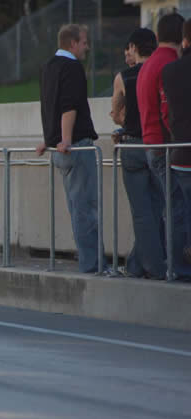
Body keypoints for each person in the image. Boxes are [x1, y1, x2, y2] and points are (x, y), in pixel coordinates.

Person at [36, 24, 104, 273]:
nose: (87, 47)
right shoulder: (72, 67)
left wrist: (49, 139)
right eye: (84, 42)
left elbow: (48, 106)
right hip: (75, 147)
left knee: (77, 208)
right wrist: (65, 139)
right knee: (86, 209)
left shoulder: (48, 67)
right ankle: (93, 265)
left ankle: (90, 263)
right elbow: (68, 106)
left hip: (59, 150)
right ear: (72, 43)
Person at [136, 13, 191, 279]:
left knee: (168, 209)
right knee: (177, 210)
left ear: (158, 36)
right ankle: (179, 267)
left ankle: (168, 265)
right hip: (166, 146)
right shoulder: (169, 64)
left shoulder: (149, 64)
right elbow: (168, 110)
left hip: (150, 143)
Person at [109, 28, 165, 279]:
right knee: (160, 208)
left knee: (142, 213)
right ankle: (138, 265)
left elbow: (116, 114)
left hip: (131, 146)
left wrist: (124, 123)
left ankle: (152, 268)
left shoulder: (123, 77)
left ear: (133, 47)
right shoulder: (160, 71)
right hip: (158, 145)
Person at [162, 18, 191, 264]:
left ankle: (179, 266)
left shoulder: (170, 71)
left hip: (180, 155)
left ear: (185, 41)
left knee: (180, 213)